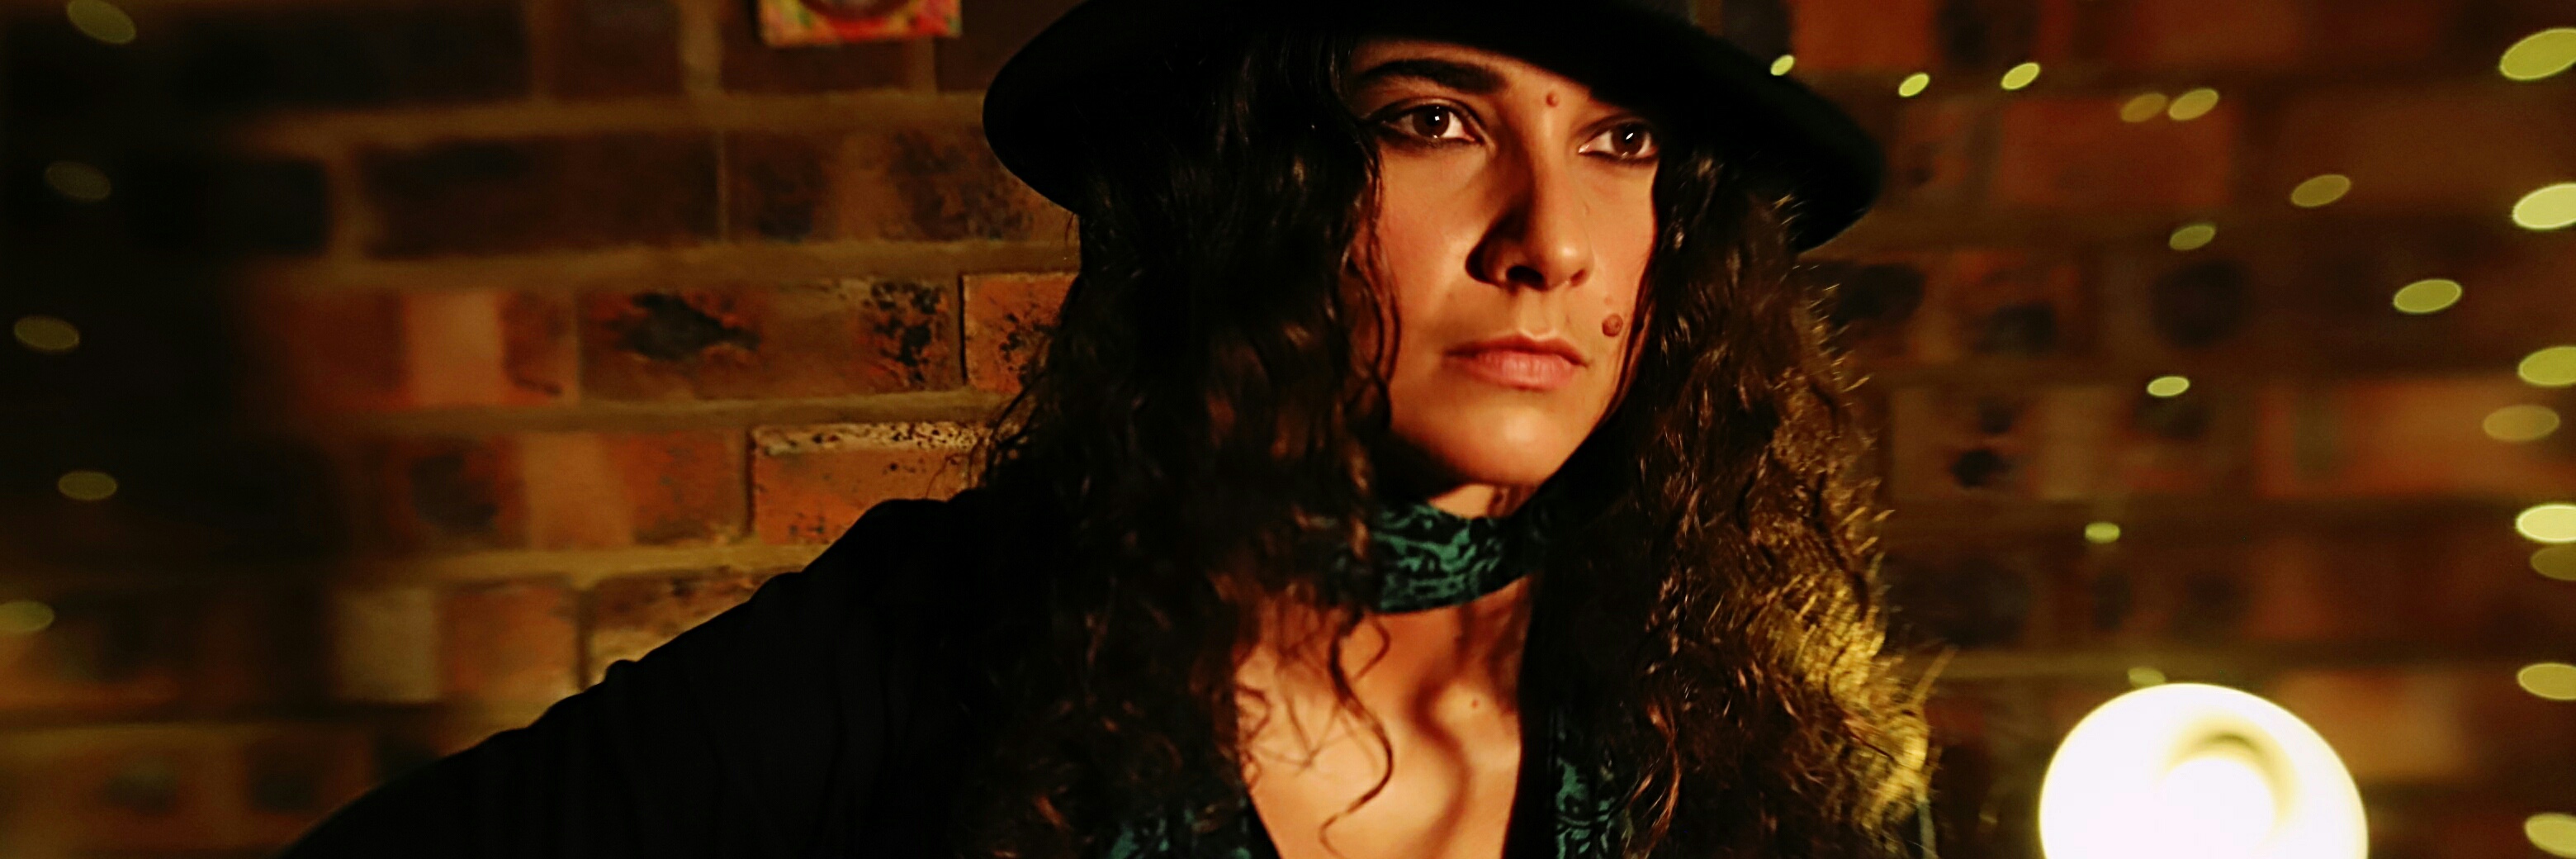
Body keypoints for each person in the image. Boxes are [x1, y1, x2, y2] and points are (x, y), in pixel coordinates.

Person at [280, 0, 1930, 857]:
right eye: (1432, 119)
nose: (1551, 241)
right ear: (1244, 189)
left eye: (1623, 146)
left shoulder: (1759, 738)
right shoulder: (934, 643)